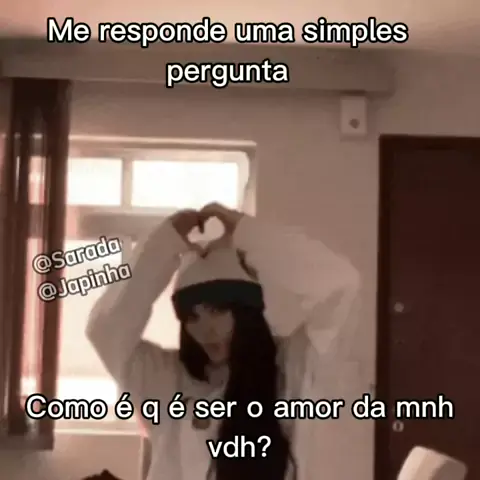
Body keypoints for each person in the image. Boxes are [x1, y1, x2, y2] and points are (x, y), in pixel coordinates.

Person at [86, 202, 360, 480]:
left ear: (246, 311)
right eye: (192, 317)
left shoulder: (291, 369)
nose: (206, 329)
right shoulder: (164, 376)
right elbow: (105, 330)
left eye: (217, 311)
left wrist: (245, 231)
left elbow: (340, 285)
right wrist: (162, 245)